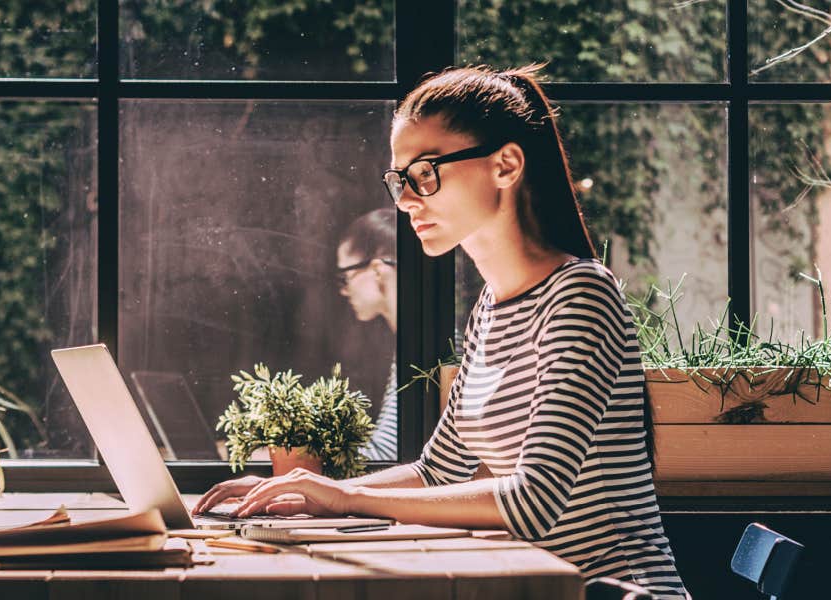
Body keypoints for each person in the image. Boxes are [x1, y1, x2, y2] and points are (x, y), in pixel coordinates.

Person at [194, 64, 687, 597]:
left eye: (425, 172)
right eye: (399, 178)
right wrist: (305, 491)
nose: (406, 199)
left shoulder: (581, 294)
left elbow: (533, 503)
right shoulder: (491, 308)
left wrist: (344, 499)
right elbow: (439, 469)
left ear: (506, 165)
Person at [335, 208, 398, 461]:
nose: (344, 290)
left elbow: (388, 456)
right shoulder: (411, 345)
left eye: (345, 276)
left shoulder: (426, 349)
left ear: (376, 270)